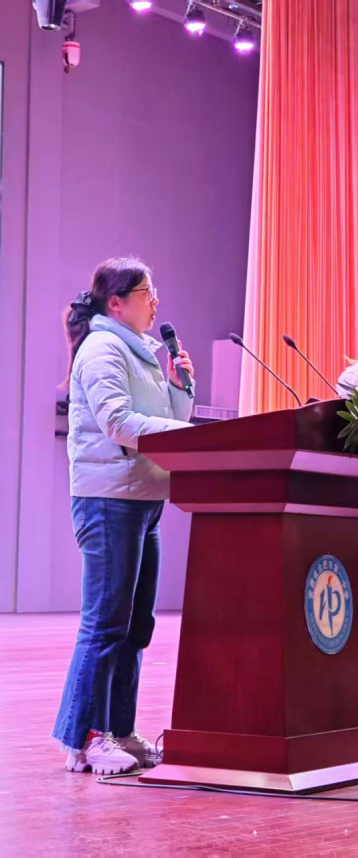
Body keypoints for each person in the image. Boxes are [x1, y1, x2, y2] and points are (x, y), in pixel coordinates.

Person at [52, 257, 195, 775]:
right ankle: (86, 738)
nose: (155, 301)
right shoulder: (102, 348)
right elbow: (117, 422)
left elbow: (168, 422)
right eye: (145, 291)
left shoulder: (142, 351)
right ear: (116, 303)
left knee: (136, 626)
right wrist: (189, 434)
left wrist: (179, 387)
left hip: (143, 498)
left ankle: (119, 730)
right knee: (105, 624)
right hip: (109, 498)